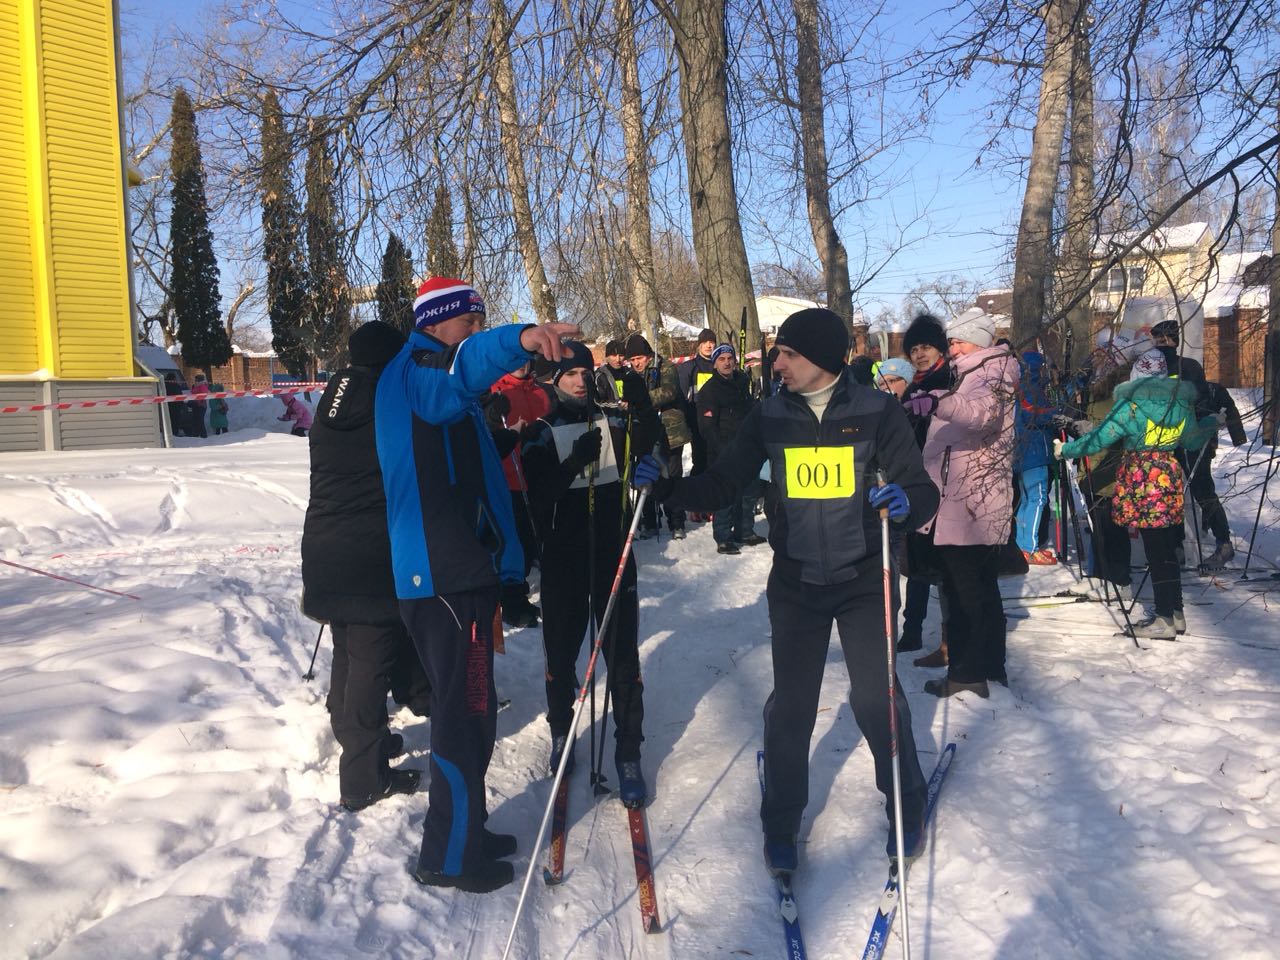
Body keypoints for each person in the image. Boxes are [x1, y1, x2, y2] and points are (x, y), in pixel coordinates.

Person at [633, 307, 940, 873]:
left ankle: (906, 800)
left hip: (864, 579)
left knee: (876, 699)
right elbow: (725, 480)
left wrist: (907, 504)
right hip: (796, 581)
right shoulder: (769, 415)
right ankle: (781, 819)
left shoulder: (876, 410)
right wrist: (668, 488)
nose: (778, 362)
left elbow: (920, 488)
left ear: (821, 360)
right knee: (792, 706)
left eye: (789, 354)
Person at [374, 275, 579, 893]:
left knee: (477, 710)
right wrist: (517, 338)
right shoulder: (414, 372)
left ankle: (469, 828)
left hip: (465, 573)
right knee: (463, 717)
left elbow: (486, 482)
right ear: (439, 321)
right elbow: (465, 374)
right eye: (470, 321)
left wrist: (510, 563)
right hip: (439, 577)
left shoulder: (443, 380)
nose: (473, 330)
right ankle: (448, 856)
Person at [520, 341, 659, 806]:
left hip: (613, 555)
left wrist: (640, 402)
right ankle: (562, 732)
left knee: (622, 656)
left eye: (585, 371)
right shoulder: (540, 432)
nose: (580, 379)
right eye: (570, 372)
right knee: (561, 655)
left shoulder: (614, 419)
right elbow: (537, 501)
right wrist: (572, 463)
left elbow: (648, 442)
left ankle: (628, 750)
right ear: (553, 379)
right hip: (563, 559)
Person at [301, 321, 429, 813]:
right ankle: (362, 777)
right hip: (368, 552)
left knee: (350, 652)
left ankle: (364, 740)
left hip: (328, 548)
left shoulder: (336, 395)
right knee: (370, 662)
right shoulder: (385, 401)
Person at [1057, 348, 1218, 638]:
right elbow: (1192, 441)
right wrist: (1210, 423)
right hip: (1167, 475)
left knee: (1156, 550)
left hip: (1141, 477)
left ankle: (1164, 618)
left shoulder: (1130, 406)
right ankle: (1176, 611)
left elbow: (1098, 440)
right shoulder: (1179, 403)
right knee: (1166, 545)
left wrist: (1066, 449)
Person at [904, 307, 1019, 698]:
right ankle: (987, 668)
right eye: (949, 341)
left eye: (955, 341)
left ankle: (970, 674)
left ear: (979, 340)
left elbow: (982, 416)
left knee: (967, 591)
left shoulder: (991, 372)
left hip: (972, 501)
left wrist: (940, 401)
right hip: (962, 500)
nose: (949, 348)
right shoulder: (974, 371)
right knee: (974, 589)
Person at [1151, 320, 1245, 569]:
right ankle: (1176, 546)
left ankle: (1224, 544)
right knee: (1168, 493)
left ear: (1171, 340)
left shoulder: (1186, 366)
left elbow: (1199, 400)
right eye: (1155, 341)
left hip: (1192, 438)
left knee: (1201, 489)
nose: (1158, 346)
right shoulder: (1155, 366)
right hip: (1166, 438)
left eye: (1162, 341)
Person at [899, 314, 953, 658]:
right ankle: (912, 630)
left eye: (926, 347)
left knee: (947, 565)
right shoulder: (914, 384)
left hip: (947, 482)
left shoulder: (950, 379)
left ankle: (949, 640)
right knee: (916, 561)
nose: (920, 354)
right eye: (914, 348)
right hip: (917, 479)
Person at [487, 360, 554, 628]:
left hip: (536, 475)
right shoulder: (495, 390)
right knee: (513, 542)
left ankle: (524, 588)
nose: (522, 365)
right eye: (515, 359)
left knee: (532, 534)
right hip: (507, 477)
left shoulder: (539, 392)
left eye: (526, 360)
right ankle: (513, 596)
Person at [696, 343, 765, 554]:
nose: (727, 363)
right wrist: (723, 449)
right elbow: (706, 426)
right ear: (715, 364)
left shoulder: (743, 382)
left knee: (749, 492)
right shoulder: (709, 390)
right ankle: (723, 537)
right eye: (722, 359)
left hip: (746, 447)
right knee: (725, 496)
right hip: (722, 451)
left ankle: (745, 531)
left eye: (729, 359)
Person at [625, 333, 690, 540]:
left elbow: (670, 391)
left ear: (647, 355)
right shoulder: (633, 375)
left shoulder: (665, 367)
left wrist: (642, 401)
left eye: (639, 359)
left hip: (670, 430)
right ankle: (650, 521)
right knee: (647, 474)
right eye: (632, 360)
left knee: (671, 475)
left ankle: (676, 521)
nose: (636, 363)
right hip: (646, 432)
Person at [1014, 352, 1058, 565]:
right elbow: (1035, 415)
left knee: (1027, 499)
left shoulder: (1020, 387)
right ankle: (1029, 548)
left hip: (1023, 452)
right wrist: (1057, 414)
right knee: (1037, 499)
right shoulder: (1030, 389)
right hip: (1035, 451)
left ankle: (1023, 545)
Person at [680, 329, 719, 508]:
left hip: (717, 422)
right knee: (699, 461)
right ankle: (694, 501)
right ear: (699, 345)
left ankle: (711, 500)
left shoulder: (719, 364)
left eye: (712, 342)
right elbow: (681, 396)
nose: (709, 345)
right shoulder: (690, 367)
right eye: (705, 342)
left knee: (715, 462)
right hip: (697, 422)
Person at [189, 373, 210, 438]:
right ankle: (196, 434)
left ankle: (203, 435)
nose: (195, 381)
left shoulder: (203, 386)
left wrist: (199, 401)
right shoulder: (195, 386)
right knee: (195, 420)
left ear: (199, 380)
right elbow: (192, 393)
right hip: (195, 405)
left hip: (201, 405)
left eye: (196, 380)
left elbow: (203, 395)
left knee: (200, 420)